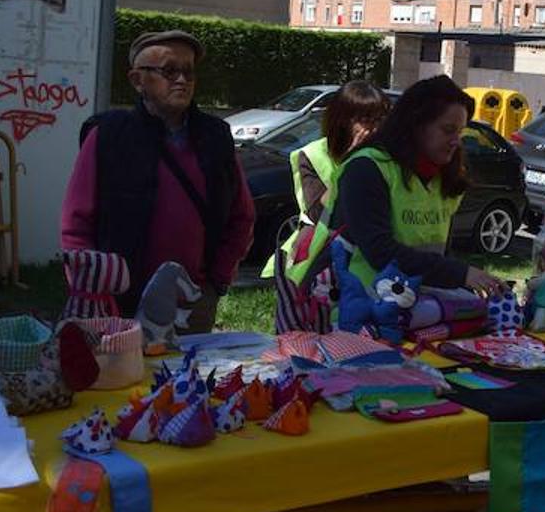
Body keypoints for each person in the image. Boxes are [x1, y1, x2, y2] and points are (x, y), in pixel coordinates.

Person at [61, 30, 255, 331]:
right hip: (116, 303)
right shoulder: (108, 136)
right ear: (137, 80)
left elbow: (241, 216)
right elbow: (76, 223)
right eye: (168, 70)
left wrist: (217, 282)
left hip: (192, 301)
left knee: (189, 377)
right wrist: (88, 287)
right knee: (121, 378)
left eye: (188, 71)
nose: (182, 80)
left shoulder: (215, 137)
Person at [328, 75, 506, 298]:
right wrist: (460, 274)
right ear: (415, 125)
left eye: (459, 132)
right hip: (362, 310)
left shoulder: (445, 177)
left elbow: (441, 254)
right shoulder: (367, 168)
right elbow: (379, 252)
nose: (455, 141)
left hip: (419, 307)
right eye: (448, 130)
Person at [265, 81, 389, 332]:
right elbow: (316, 211)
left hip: (365, 266)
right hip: (314, 262)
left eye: (380, 119)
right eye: (366, 119)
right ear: (342, 120)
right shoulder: (311, 155)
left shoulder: (386, 159)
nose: (373, 129)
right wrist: (351, 164)